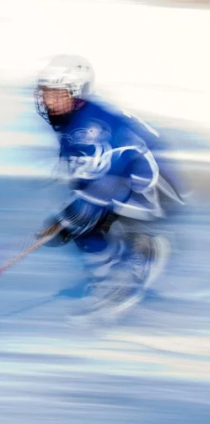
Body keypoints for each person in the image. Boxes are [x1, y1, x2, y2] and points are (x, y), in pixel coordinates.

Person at [34, 55, 186, 311]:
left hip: (153, 185)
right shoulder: (75, 120)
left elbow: (122, 165)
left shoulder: (90, 127)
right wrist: (70, 217)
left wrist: (73, 216)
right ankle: (110, 277)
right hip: (127, 181)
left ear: (77, 93)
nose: (49, 100)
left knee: (83, 222)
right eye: (46, 93)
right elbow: (90, 179)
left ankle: (141, 257)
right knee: (81, 224)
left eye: (57, 93)